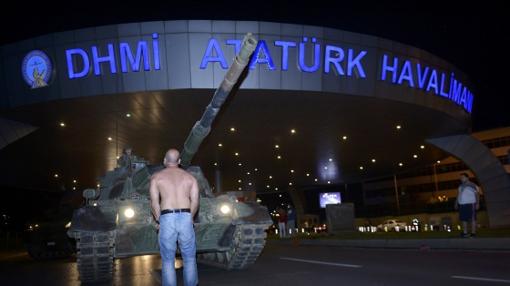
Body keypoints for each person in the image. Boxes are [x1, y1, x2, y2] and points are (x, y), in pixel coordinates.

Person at [150, 149, 200, 286]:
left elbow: (154, 202)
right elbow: (195, 201)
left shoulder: (156, 177)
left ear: (165, 161)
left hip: (166, 216)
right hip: (186, 216)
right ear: (179, 161)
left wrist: (159, 220)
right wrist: (190, 218)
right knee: (189, 258)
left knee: (168, 260)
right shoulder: (191, 178)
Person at [455, 172, 480, 238]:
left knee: (472, 219)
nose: (461, 179)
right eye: (460, 178)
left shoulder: (473, 185)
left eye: (462, 177)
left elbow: (477, 195)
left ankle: (473, 233)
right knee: (463, 219)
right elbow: (458, 195)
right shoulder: (460, 186)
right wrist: (456, 203)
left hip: (471, 204)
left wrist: (477, 203)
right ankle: (465, 233)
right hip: (462, 205)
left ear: (467, 178)